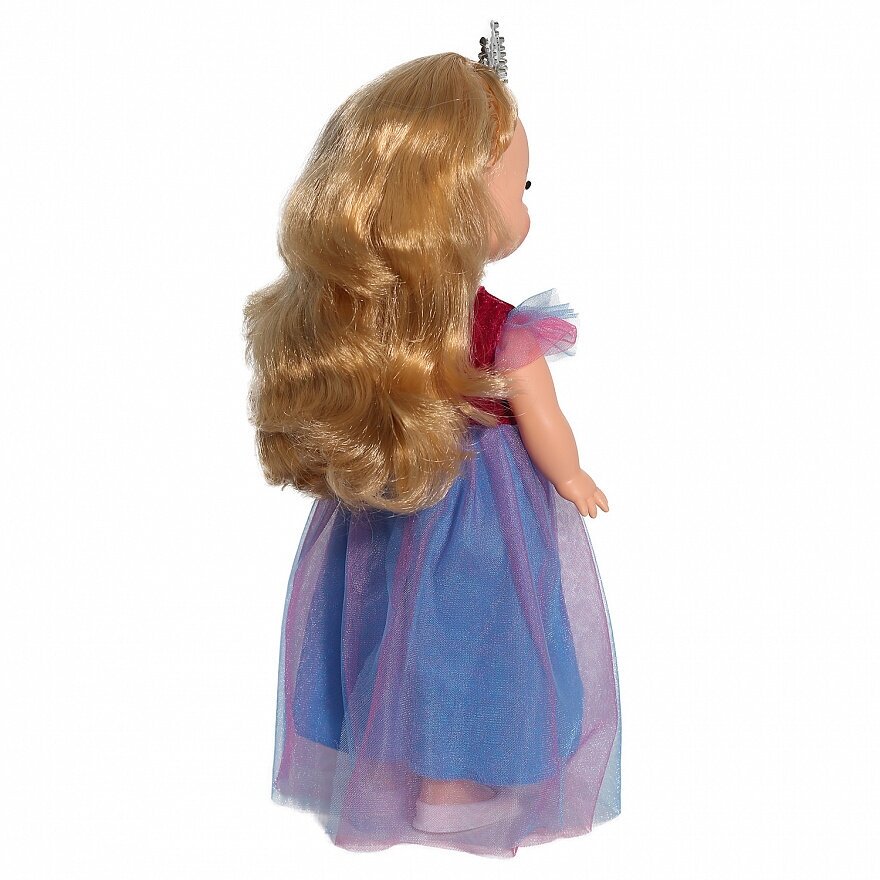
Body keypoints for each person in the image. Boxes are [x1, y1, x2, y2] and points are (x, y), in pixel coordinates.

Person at [243, 45, 621, 858]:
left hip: (390, 499)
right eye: (518, 187)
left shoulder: (368, 325)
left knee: (392, 636)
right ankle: (455, 782)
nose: (525, 204)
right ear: (454, 199)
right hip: (486, 514)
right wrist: (570, 474)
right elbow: (541, 415)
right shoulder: (500, 328)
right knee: (478, 639)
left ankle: (398, 771)